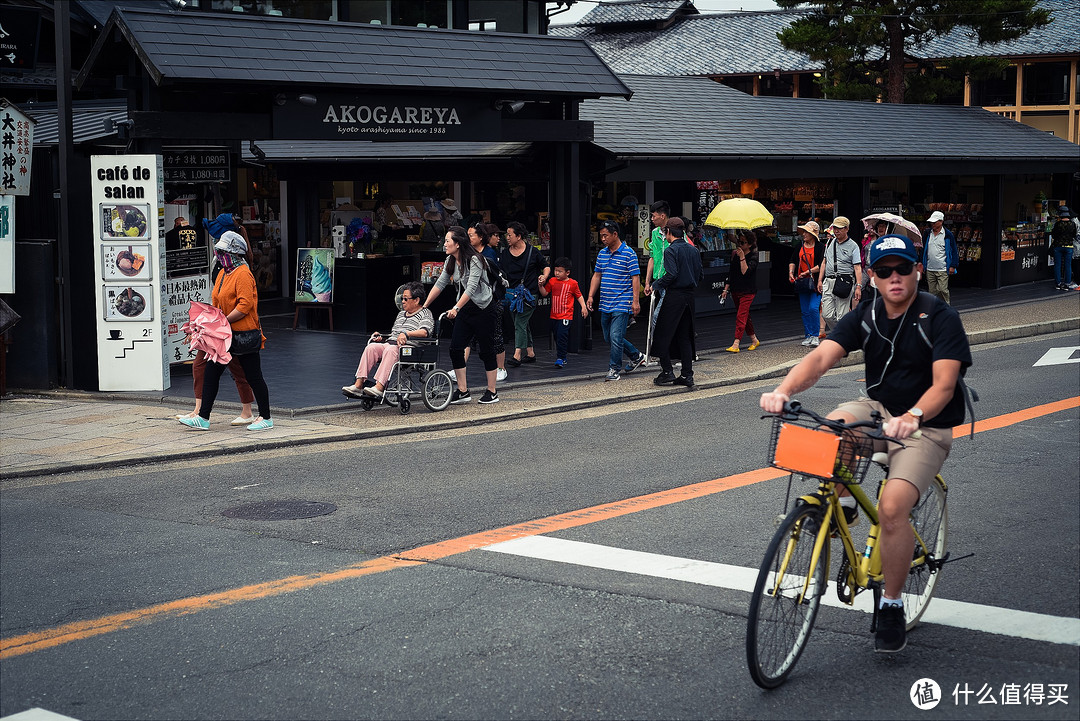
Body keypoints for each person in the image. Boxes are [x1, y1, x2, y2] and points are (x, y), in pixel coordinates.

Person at [760, 233, 972, 653]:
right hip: (878, 407)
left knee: (893, 508)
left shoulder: (940, 317)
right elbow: (821, 357)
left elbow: (945, 385)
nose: (894, 277)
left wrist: (912, 417)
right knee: (833, 427)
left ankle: (891, 604)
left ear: (916, 271)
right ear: (872, 276)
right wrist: (782, 390)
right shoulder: (867, 313)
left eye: (903, 268)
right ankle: (836, 505)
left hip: (925, 424)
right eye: (883, 271)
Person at [179, 231, 273, 431]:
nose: (219, 255)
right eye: (218, 251)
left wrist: (221, 321)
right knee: (211, 373)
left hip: (243, 334)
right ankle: (203, 417)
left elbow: (245, 305)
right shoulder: (223, 273)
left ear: (235, 253)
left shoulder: (243, 273)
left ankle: (266, 417)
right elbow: (217, 303)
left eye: (223, 251)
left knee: (253, 377)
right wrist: (211, 323)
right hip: (224, 335)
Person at [423, 226, 499, 405]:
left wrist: (456, 308)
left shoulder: (475, 260)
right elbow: (440, 284)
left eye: (448, 241)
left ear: (457, 244)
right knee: (456, 348)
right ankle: (463, 391)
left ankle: (492, 391)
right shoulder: (450, 260)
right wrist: (424, 306)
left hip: (484, 308)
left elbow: (472, 288)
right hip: (465, 309)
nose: (445, 244)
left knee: (487, 350)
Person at [341, 282, 434, 400]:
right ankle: (358, 385)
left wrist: (407, 334)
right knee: (371, 347)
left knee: (391, 349)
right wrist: (382, 337)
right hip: (392, 344)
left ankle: (379, 387)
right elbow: (394, 334)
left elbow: (424, 332)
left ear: (416, 300)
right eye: (402, 298)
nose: (403, 301)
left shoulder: (425, 313)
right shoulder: (401, 314)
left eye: (405, 298)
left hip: (410, 349)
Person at [586, 220, 644, 381]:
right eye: (601, 236)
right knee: (608, 337)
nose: (602, 239)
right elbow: (596, 276)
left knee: (616, 337)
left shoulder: (629, 253)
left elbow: (635, 278)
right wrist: (590, 296)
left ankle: (614, 369)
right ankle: (636, 356)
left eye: (605, 235)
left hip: (622, 302)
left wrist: (635, 301)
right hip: (605, 302)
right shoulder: (602, 254)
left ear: (615, 234)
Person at [651, 217, 703, 389]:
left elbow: (671, 274)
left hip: (674, 296)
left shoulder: (670, 251)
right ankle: (687, 375)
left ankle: (667, 372)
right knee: (684, 336)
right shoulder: (693, 250)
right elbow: (700, 275)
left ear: (668, 232)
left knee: (662, 333)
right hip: (689, 297)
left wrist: (655, 284)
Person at [499, 221, 550, 367]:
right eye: (506, 235)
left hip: (529, 294)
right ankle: (531, 352)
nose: (507, 237)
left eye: (510, 235)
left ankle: (517, 354)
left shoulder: (532, 252)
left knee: (519, 323)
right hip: (511, 295)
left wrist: (544, 277)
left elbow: (545, 267)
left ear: (519, 236)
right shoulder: (504, 253)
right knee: (522, 323)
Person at [465, 223, 507, 381]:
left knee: (495, 334)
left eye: (471, 235)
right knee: (466, 336)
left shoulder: (490, 254)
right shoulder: (467, 253)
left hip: (491, 299)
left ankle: (501, 368)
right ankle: (459, 367)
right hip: (471, 300)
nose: (468, 238)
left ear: (480, 237)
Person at [538, 257, 588, 368]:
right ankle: (562, 356)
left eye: (560, 271)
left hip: (566, 315)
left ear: (567, 272)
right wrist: (540, 285)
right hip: (554, 315)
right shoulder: (552, 281)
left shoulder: (573, 283)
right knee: (556, 335)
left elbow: (579, 296)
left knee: (561, 335)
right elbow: (545, 293)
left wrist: (583, 307)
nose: (557, 273)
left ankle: (561, 357)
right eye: (556, 270)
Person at [817, 216, 863, 333]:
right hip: (829, 280)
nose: (836, 231)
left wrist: (858, 286)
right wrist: (819, 280)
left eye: (839, 228)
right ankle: (842, 334)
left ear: (847, 229)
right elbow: (824, 262)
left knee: (842, 316)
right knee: (826, 314)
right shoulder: (830, 242)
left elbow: (857, 267)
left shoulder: (853, 246)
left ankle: (841, 338)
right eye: (835, 228)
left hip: (844, 281)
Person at [721, 229, 761, 353]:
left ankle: (736, 343)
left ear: (749, 244)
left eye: (743, 243)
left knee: (741, 315)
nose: (740, 245)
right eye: (739, 242)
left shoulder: (753, 256)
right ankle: (754, 339)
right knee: (745, 316)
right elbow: (731, 272)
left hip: (748, 291)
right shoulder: (735, 255)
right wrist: (725, 289)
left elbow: (746, 272)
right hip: (736, 289)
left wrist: (742, 257)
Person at [789, 221, 825, 346]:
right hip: (802, 282)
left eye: (806, 232)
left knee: (813, 308)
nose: (804, 234)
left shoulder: (821, 247)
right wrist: (791, 272)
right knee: (805, 310)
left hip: (815, 282)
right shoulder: (800, 246)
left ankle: (815, 335)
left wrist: (808, 272)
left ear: (813, 234)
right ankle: (808, 335)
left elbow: (822, 265)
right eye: (803, 232)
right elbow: (792, 260)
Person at [643, 200, 671, 335]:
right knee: (661, 317)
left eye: (654, 216)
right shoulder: (655, 233)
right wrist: (647, 282)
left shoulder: (675, 232)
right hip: (658, 280)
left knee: (657, 317)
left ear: (662, 216)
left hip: (670, 281)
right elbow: (652, 258)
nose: (652, 219)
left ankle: (659, 349)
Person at [920, 210, 958, 304]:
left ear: (941, 222)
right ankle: (932, 309)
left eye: (934, 222)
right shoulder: (927, 233)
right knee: (932, 291)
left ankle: (946, 308)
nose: (932, 224)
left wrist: (953, 265)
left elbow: (954, 250)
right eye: (931, 222)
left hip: (943, 268)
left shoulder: (948, 235)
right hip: (930, 267)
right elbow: (923, 249)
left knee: (942, 289)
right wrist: (922, 263)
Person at [1050, 206, 1077, 291]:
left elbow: (1053, 234)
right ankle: (1067, 284)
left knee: (1057, 265)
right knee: (1068, 266)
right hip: (1069, 247)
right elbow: (1074, 235)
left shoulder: (1058, 224)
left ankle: (1058, 284)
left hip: (1058, 246)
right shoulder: (1073, 224)